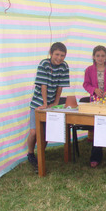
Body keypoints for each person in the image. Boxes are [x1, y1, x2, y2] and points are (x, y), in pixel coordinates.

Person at [27, 42, 70, 172]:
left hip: (51, 104)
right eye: (57, 54)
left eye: (62, 55)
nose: (59, 58)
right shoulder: (44, 64)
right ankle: (30, 153)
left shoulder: (64, 66)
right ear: (51, 53)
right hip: (38, 103)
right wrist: (44, 104)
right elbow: (43, 85)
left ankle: (40, 154)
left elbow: (60, 86)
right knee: (34, 132)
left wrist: (56, 102)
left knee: (45, 133)